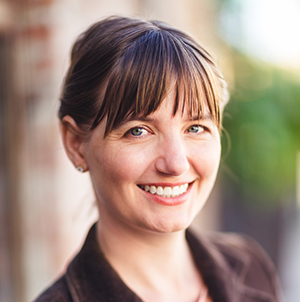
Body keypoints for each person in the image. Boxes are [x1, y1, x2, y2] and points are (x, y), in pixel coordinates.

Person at [34, 16, 283, 302]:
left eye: (195, 128)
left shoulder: (252, 267)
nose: (176, 164)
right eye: (138, 131)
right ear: (76, 144)